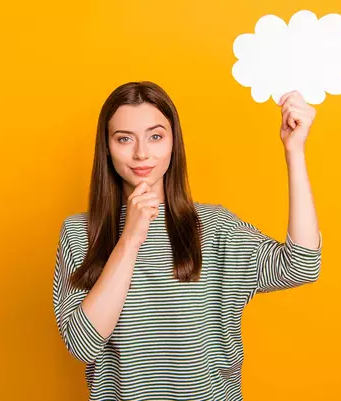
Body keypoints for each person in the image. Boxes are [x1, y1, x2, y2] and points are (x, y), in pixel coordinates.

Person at [52, 81, 323, 400]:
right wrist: (131, 238)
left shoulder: (214, 225)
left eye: (155, 136)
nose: (141, 153)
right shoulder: (79, 232)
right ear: (107, 148)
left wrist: (295, 150)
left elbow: (302, 265)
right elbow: (83, 345)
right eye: (125, 139)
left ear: (173, 142)